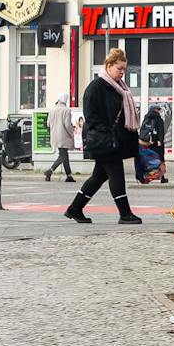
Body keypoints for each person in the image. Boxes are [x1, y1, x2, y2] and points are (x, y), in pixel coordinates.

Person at [67, 48, 143, 225]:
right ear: (109, 66)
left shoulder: (119, 88)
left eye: (124, 69)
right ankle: (125, 213)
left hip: (112, 140)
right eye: (119, 68)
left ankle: (75, 208)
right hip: (104, 140)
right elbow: (90, 114)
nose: (122, 72)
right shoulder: (97, 87)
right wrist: (106, 130)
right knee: (117, 175)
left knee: (98, 177)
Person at [44, 94, 77, 182]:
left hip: (55, 136)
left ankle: (69, 176)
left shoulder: (52, 110)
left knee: (64, 155)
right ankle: (50, 171)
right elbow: (67, 125)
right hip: (64, 137)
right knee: (63, 156)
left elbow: (48, 124)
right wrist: (72, 133)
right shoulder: (66, 110)